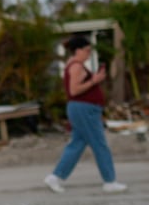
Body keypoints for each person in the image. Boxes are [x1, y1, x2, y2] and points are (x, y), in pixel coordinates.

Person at [44, 34, 126, 193]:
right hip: (84, 109)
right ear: (78, 50)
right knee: (99, 144)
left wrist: (94, 80)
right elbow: (74, 90)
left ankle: (56, 177)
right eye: (87, 50)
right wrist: (94, 81)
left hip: (82, 108)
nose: (89, 53)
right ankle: (109, 181)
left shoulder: (75, 64)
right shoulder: (76, 66)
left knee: (77, 144)